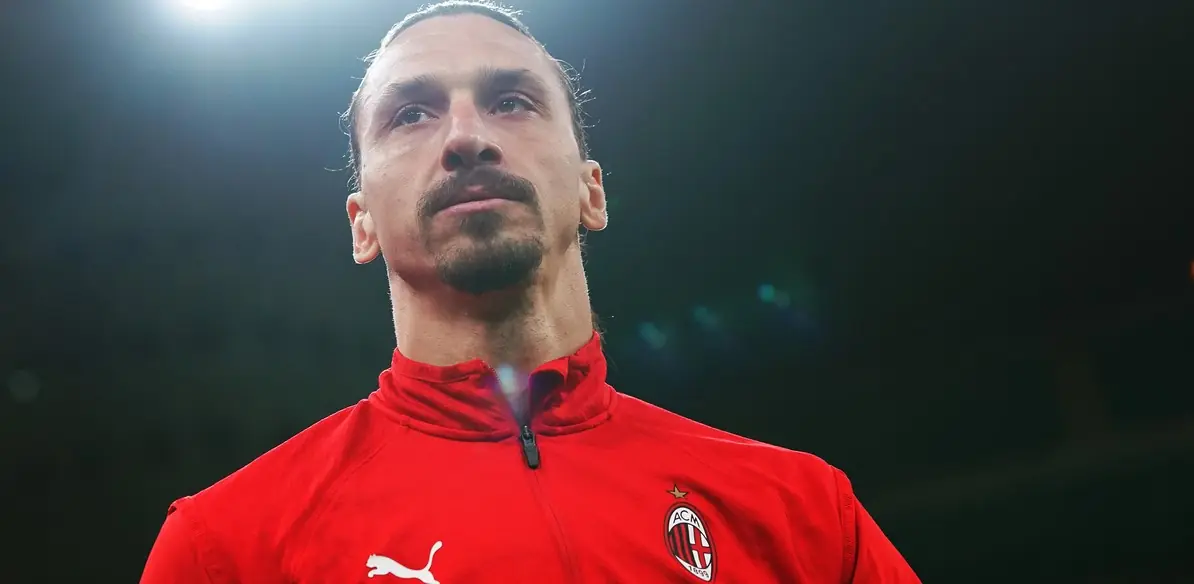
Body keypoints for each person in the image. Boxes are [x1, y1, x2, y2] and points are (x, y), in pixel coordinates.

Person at [140, 1, 921, 582]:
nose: (466, 137)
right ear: (361, 223)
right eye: (410, 114)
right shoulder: (227, 548)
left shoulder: (803, 514)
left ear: (591, 191)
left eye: (511, 101)